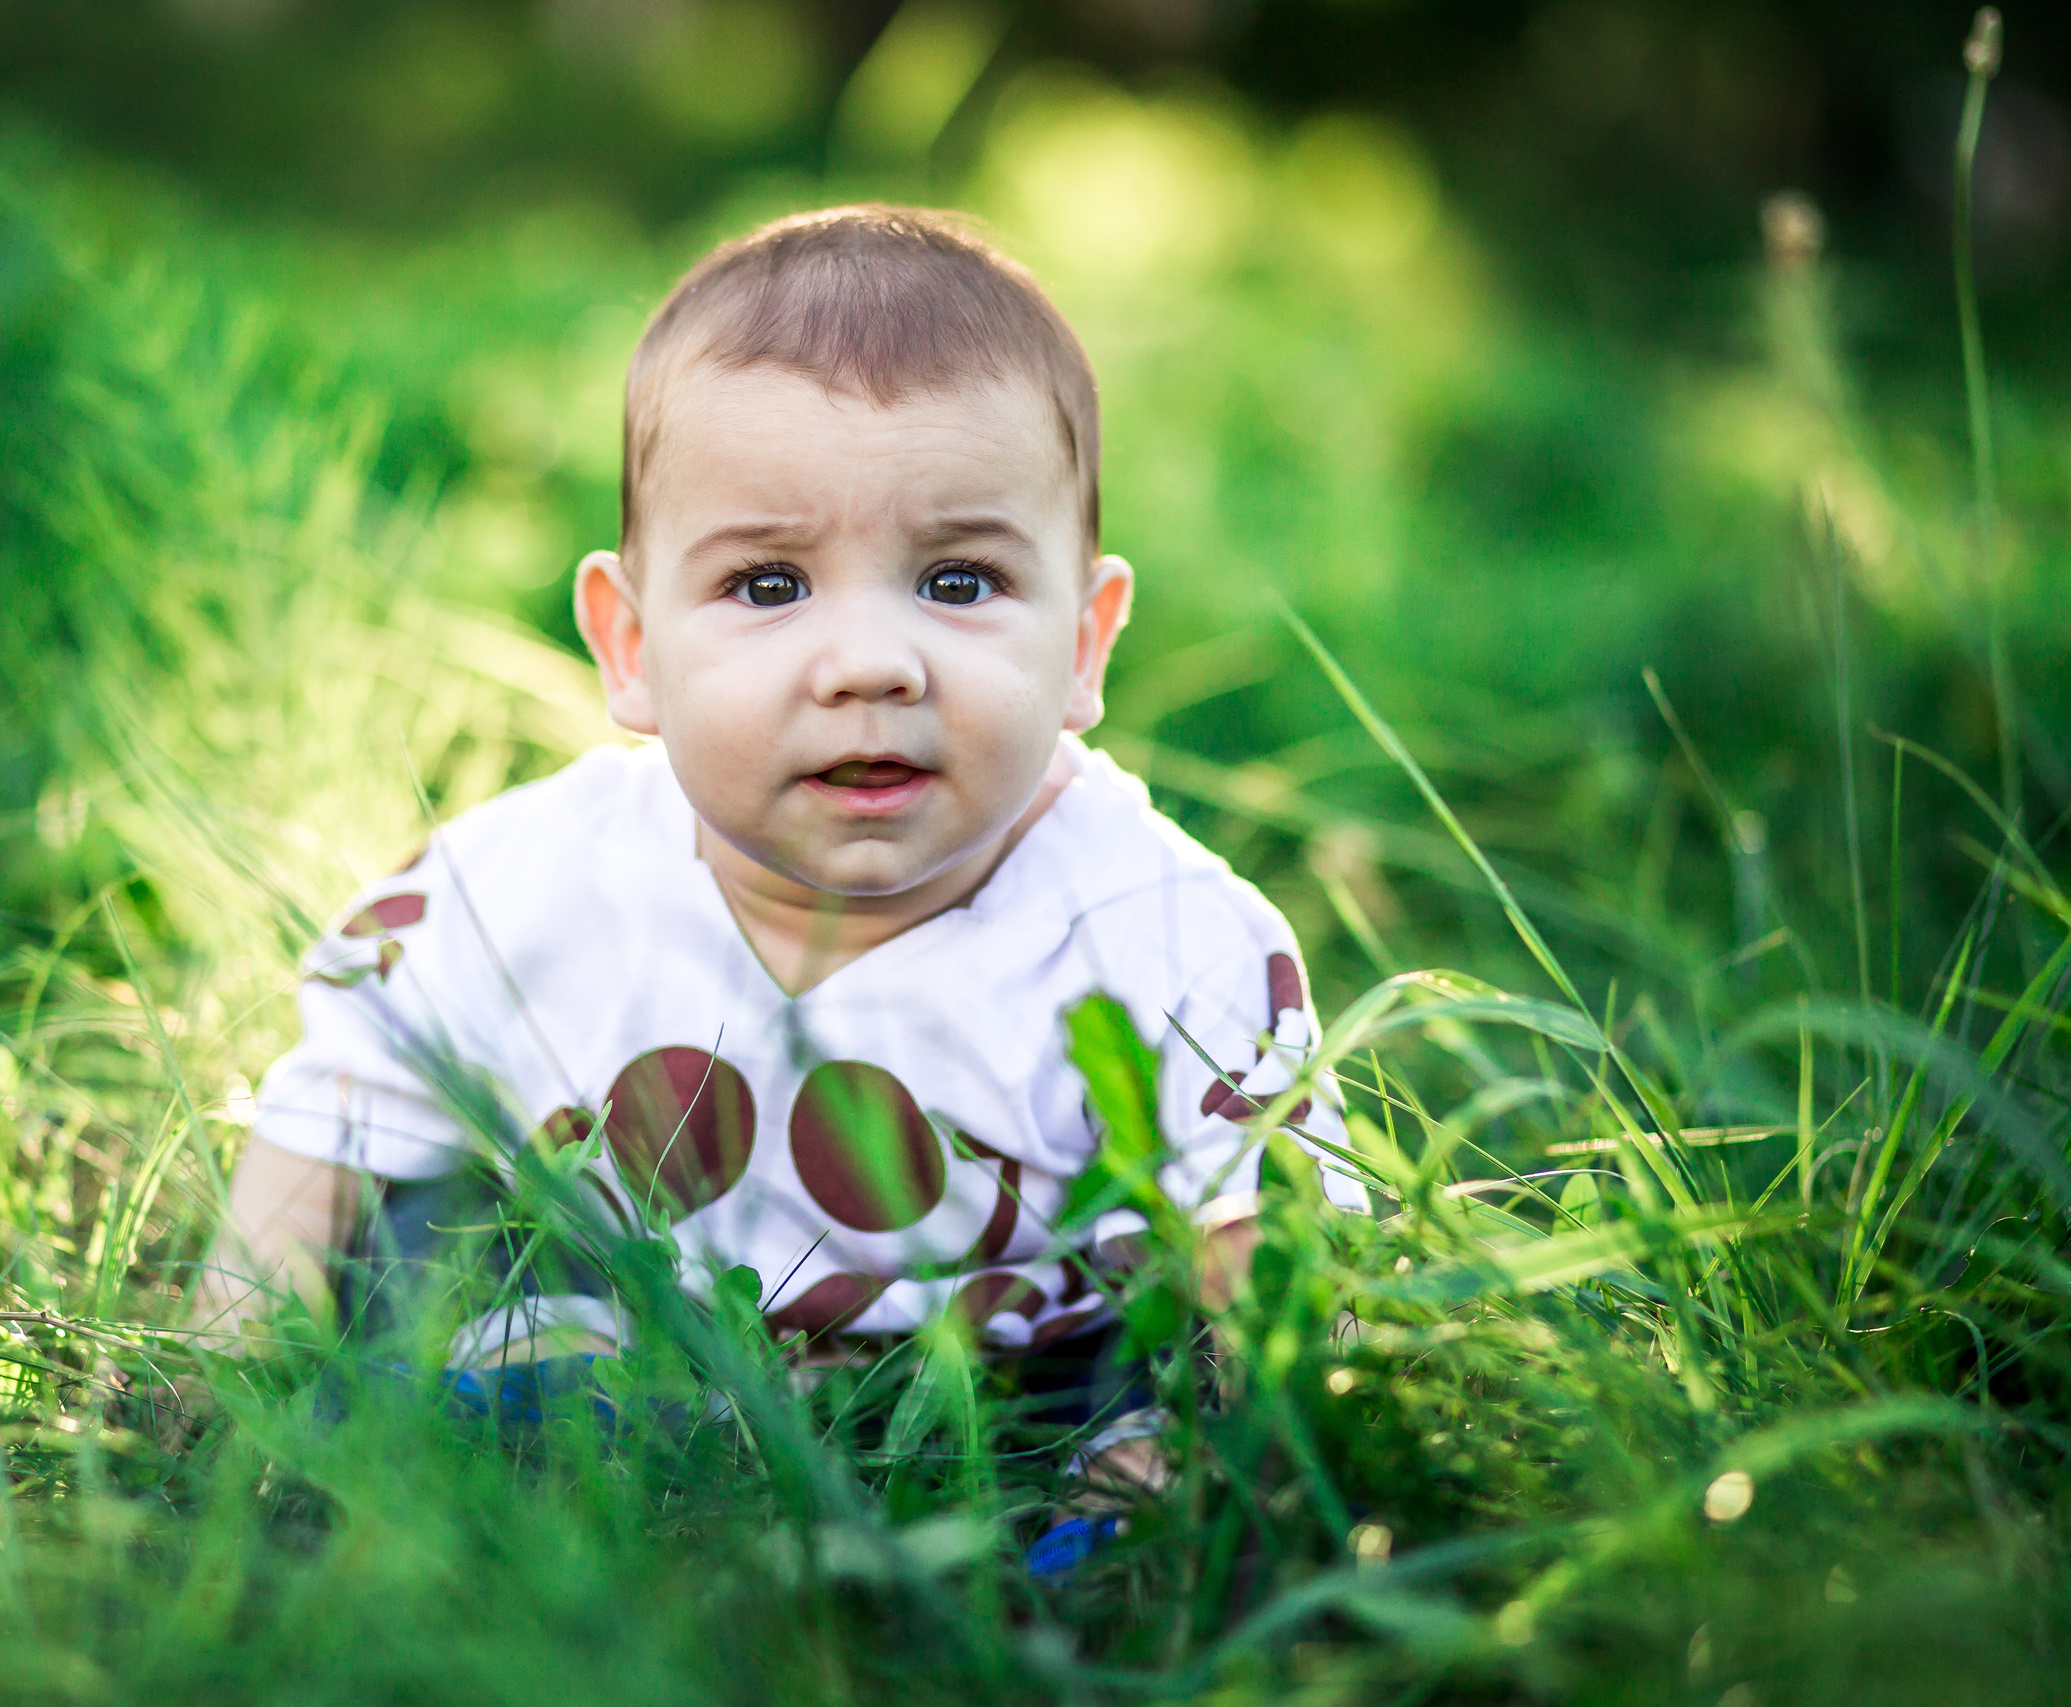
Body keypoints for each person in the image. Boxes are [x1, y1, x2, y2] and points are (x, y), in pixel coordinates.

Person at [193, 206, 1364, 1548]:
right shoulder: (527, 881)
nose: (869, 661)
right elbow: (347, 1088)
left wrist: (1220, 1426)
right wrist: (225, 1363)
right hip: (642, 1313)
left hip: (1010, 1385)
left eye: (960, 579)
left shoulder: (1163, 932)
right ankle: (525, 1431)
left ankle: (1101, 1540)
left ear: (1085, 644)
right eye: (767, 586)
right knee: (424, 1232)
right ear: (629, 646)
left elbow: (1265, 1248)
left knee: (1172, 1396)